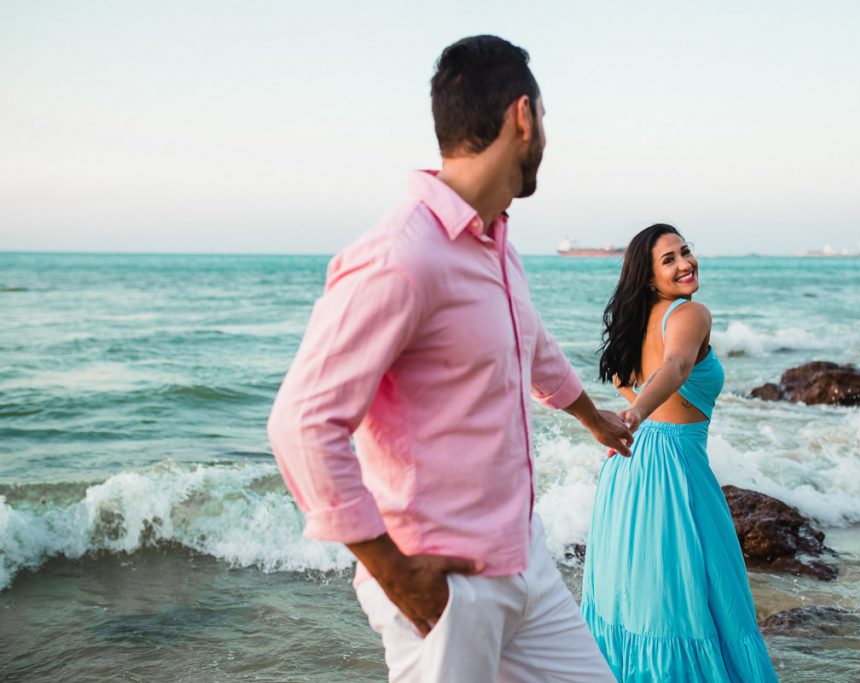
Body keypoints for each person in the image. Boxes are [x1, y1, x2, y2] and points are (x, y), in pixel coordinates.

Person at [267, 35, 630, 682]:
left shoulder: (497, 244)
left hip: (525, 560)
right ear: (522, 117)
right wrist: (393, 569)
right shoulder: (403, 257)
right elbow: (300, 422)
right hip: (443, 585)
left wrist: (591, 417)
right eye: (543, 118)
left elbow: (531, 346)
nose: (545, 133)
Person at [581, 224, 778, 681]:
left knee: (639, 597)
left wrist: (630, 416)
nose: (685, 263)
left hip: (627, 470)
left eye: (684, 252)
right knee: (688, 600)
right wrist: (633, 417)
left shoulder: (633, 329)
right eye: (668, 259)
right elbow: (677, 366)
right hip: (673, 472)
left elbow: (644, 388)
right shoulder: (689, 314)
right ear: (649, 278)